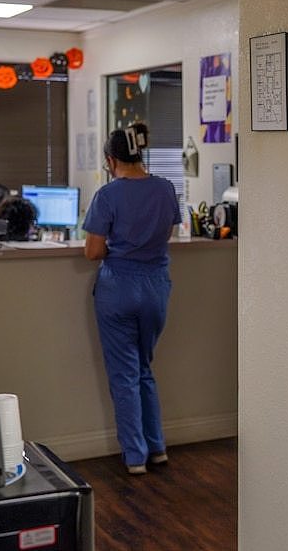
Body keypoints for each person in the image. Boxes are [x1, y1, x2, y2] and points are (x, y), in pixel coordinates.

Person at [82, 123, 182, 475]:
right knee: (144, 369)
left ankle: (135, 456)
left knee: (124, 373)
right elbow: (166, 233)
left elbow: (93, 252)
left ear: (111, 159)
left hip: (119, 288)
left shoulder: (108, 196)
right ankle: (157, 449)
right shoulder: (167, 188)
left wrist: (120, 244)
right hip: (156, 287)